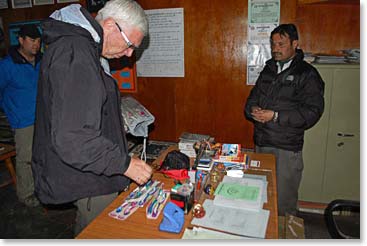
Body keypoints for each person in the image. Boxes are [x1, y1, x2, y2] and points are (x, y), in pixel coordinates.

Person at [31, 0, 153, 235]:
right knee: (100, 233)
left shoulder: (84, 47)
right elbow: (73, 138)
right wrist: (125, 165)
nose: (129, 54)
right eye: (129, 45)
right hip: (88, 175)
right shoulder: (76, 52)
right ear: (109, 25)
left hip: (92, 167)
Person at [244, 24, 324, 216]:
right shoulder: (269, 69)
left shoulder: (307, 74)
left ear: (295, 44)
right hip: (262, 143)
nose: (275, 48)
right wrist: (252, 109)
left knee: (283, 203)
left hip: (286, 148)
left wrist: (276, 116)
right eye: (273, 44)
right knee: (260, 197)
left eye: (281, 44)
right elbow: (252, 98)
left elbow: (312, 112)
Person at [0, 24, 42, 207]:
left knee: (41, 156)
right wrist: (11, 110)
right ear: (21, 40)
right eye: (32, 40)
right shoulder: (7, 66)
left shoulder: (41, 60)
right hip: (23, 120)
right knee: (26, 158)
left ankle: (41, 188)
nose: (36, 45)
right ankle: (26, 194)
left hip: (43, 117)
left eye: (39, 41)